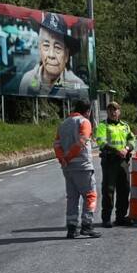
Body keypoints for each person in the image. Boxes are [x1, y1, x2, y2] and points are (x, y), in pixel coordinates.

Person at [54, 98, 100, 239]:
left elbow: (56, 145)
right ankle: (87, 225)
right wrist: (68, 157)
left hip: (67, 168)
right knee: (90, 195)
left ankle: (72, 228)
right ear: (88, 111)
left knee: (72, 198)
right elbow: (82, 142)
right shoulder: (84, 122)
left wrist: (62, 159)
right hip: (82, 167)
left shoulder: (63, 124)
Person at [18, 12, 87, 98]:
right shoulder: (27, 80)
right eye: (46, 46)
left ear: (66, 55)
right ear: (40, 49)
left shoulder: (79, 87)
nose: (51, 55)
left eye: (57, 47)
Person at [95, 100, 135, 228]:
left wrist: (127, 149)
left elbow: (132, 139)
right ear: (107, 112)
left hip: (123, 161)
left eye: (115, 110)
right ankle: (106, 218)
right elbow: (101, 142)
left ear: (119, 112)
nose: (113, 112)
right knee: (109, 190)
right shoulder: (103, 125)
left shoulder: (125, 126)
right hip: (110, 161)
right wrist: (116, 150)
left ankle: (120, 217)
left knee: (124, 190)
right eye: (110, 110)